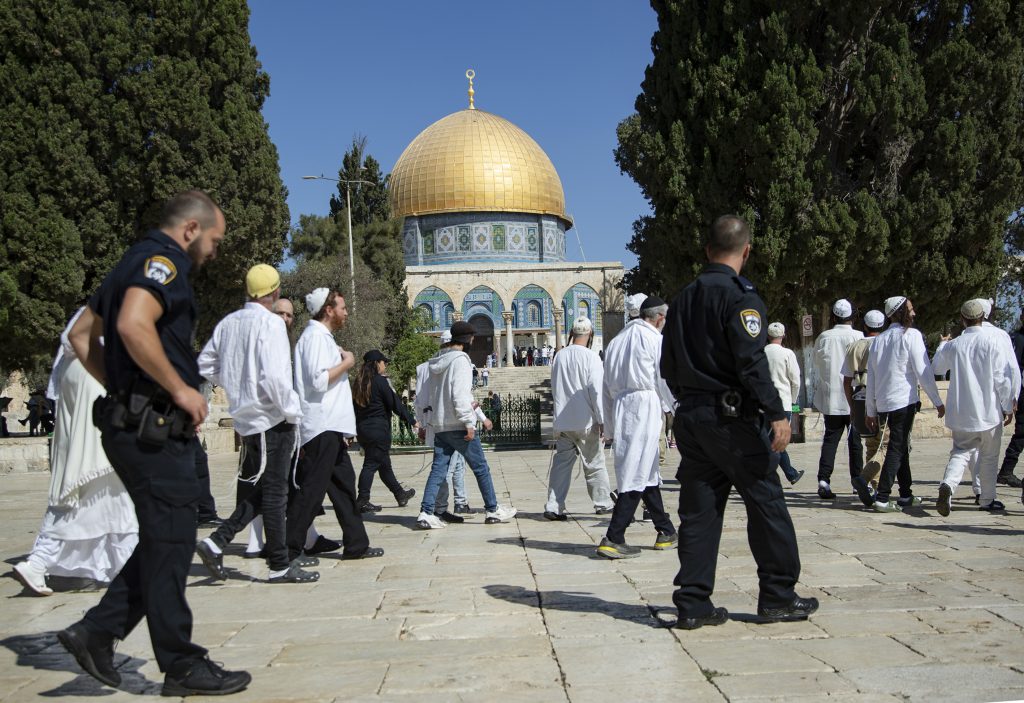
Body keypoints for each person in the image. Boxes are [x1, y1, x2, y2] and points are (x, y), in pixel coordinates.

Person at [56, 191, 250, 695]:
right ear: (190, 229)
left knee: (168, 539)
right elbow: (130, 324)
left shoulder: (127, 263)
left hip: (136, 423)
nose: (214, 251)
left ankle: (97, 633)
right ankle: (180, 664)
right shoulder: (162, 263)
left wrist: (125, 389)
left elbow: (80, 336)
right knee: (170, 539)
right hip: (153, 431)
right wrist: (178, 389)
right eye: (214, 240)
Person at [662, 214, 817, 629]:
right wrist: (777, 413)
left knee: (699, 511)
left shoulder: (682, 300)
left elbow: (668, 367)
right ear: (746, 250)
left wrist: (694, 400)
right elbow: (750, 362)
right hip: (731, 421)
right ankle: (778, 595)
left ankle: (693, 604)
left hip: (692, 419)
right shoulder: (740, 297)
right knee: (766, 503)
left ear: (706, 249)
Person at [194, 265, 315, 584]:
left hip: (247, 419)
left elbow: (205, 364)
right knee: (275, 494)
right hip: (273, 418)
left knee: (264, 490)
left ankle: (216, 541)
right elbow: (275, 379)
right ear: (274, 294)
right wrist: (293, 411)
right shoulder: (272, 325)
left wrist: (236, 384)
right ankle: (278, 565)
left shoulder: (228, 323)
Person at [13, 308, 138, 596]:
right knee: (98, 488)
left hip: (83, 416)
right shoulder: (95, 362)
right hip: (98, 418)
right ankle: (40, 560)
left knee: (108, 497)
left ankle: (124, 568)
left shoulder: (73, 356)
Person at [286, 288, 383, 561]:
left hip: (330, 427)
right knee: (312, 492)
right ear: (328, 310)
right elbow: (318, 381)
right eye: (342, 307)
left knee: (343, 487)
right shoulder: (315, 337)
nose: (346, 312)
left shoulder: (322, 338)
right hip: (321, 427)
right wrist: (348, 362)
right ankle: (287, 550)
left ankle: (356, 545)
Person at [597, 296, 678, 558]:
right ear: (660, 318)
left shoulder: (617, 341)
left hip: (622, 406)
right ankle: (614, 536)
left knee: (646, 467)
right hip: (644, 405)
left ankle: (665, 530)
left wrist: (608, 426)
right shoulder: (654, 339)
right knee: (636, 469)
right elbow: (663, 378)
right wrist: (678, 409)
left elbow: (605, 388)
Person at [416, 320, 516, 529]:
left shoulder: (437, 361)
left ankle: (426, 512)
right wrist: (469, 423)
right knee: (481, 468)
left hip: (441, 424)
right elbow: (460, 395)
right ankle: (492, 509)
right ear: (468, 339)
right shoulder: (461, 361)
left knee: (438, 470)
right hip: (459, 425)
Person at [858, 296, 945, 512]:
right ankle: (883, 497)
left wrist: (871, 410)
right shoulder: (911, 335)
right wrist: (937, 401)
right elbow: (923, 371)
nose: (914, 313)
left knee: (901, 445)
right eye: (910, 309)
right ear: (899, 313)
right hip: (903, 401)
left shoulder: (879, 340)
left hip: (886, 402)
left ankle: (906, 493)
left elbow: (872, 378)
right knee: (897, 447)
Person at [932, 299, 1014, 515]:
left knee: (960, 452)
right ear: (983, 317)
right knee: (989, 456)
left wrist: (942, 344)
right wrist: (1007, 406)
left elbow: (937, 366)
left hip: (962, 412)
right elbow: (1002, 378)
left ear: (962, 319)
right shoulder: (993, 342)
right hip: (988, 412)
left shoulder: (955, 344)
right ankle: (987, 499)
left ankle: (948, 485)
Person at [543, 316, 614, 520]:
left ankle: (554, 506)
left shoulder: (559, 356)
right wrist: (602, 421)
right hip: (586, 421)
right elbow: (596, 391)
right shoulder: (591, 358)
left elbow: (556, 388)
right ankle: (602, 503)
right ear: (590, 334)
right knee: (594, 462)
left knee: (561, 465)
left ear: (572, 334)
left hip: (565, 421)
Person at [354, 349, 418, 512]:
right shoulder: (380, 382)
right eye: (384, 362)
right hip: (378, 430)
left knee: (384, 466)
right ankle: (362, 499)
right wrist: (412, 421)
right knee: (370, 464)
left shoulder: (359, 383)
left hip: (363, 430)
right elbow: (395, 404)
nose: (385, 365)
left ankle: (400, 494)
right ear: (376, 363)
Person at [813, 299, 864, 499]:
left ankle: (824, 481)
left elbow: (817, 362)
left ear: (833, 316)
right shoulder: (859, 336)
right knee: (855, 442)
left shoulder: (825, 337)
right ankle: (857, 481)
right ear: (852, 316)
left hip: (832, 397)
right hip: (854, 398)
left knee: (830, 440)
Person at [843, 310, 889, 491]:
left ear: (865, 325)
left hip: (860, 398)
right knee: (886, 446)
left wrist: (852, 406)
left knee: (871, 444)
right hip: (883, 399)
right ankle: (865, 478)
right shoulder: (885, 344)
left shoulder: (854, 347)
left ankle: (875, 486)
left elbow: (846, 381)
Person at [764, 322, 803, 485]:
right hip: (783, 402)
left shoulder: (761, 352)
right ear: (783, 335)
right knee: (777, 440)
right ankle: (789, 473)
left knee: (769, 439)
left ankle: (789, 473)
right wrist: (792, 401)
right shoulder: (787, 354)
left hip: (763, 402)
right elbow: (796, 381)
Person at [998, 309, 1024, 488]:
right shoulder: (1019, 339)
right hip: (1022, 392)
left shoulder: (1014, 337)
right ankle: (1006, 471)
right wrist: (1014, 395)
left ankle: (1006, 471)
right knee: (1022, 433)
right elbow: (1015, 368)